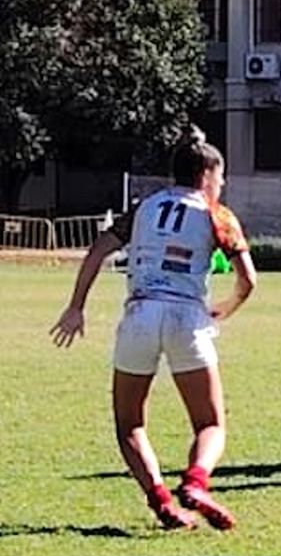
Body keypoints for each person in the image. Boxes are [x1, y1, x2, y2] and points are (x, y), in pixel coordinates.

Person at [50, 128, 257, 531]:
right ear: (206, 175)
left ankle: (162, 504)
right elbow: (248, 279)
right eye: (220, 176)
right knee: (211, 424)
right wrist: (226, 308)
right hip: (187, 318)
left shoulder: (145, 208)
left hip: (140, 315)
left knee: (129, 423)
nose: (223, 183)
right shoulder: (216, 212)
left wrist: (77, 307)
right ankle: (196, 482)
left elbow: (98, 250)